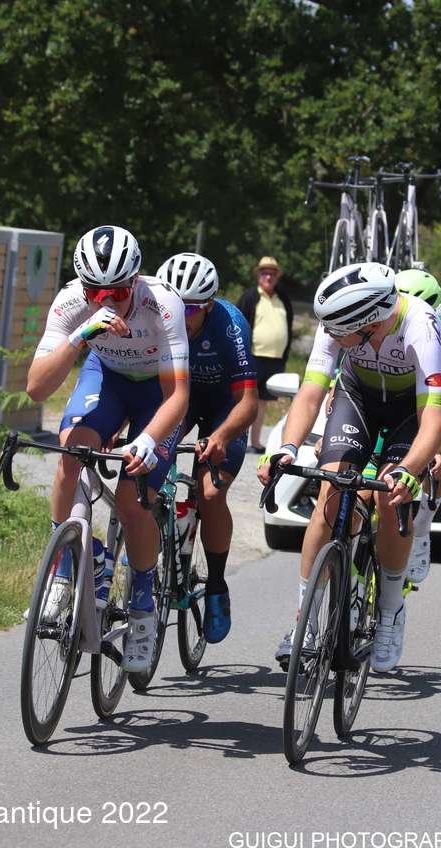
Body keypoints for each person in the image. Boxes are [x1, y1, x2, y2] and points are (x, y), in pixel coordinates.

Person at [257, 262, 441, 674]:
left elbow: (433, 418)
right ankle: (305, 622)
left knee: (392, 500)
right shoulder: (340, 324)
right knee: (330, 492)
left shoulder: (421, 325)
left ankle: (390, 610)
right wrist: (286, 448)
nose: (328, 334)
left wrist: (410, 469)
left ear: (369, 323)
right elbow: (311, 392)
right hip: (356, 397)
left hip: (407, 412)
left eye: (337, 330)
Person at [27, 225, 189, 678]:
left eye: (117, 291)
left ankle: (142, 605)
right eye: (96, 292)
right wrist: (80, 335)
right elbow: (37, 388)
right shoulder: (71, 302)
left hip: (157, 391)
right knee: (71, 454)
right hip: (108, 378)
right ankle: (68, 565)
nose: (108, 301)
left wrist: (148, 439)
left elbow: (178, 396)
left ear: (135, 280)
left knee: (133, 500)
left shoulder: (163, 303)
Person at [155, 252, 259, 643]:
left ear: (209, 305)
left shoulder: (230, 326)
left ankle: (216, 583)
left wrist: (221, 437)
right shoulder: (157, 319)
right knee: (146, 464)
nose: (179, 317)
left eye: (190, 310)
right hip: (180, 399)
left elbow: (248, 401)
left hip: (225, 407)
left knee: (211, 493)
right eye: (173, 307)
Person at [393, 269, 441, 586]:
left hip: (430, 403)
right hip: (392, 399)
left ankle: (423, 526)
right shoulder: (378, 322)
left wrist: (438, 449)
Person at [237, 256, 293, 452]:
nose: (268, 277)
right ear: (258, 275)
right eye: (264, 273)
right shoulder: (249, 297)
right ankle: (237, 440)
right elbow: (237, 325)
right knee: (245, 400)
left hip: (275, 359)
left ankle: (255, 442)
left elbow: (288, 327)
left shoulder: (283, 299)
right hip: (252, 357)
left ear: (277, 276)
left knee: (262, 402)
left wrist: (285, 356)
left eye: (272, 273)